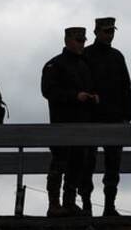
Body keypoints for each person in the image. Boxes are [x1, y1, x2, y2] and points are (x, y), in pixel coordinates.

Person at [41, 27, 99, 217]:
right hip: (61, 124)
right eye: (78, 40)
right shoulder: (55, 65)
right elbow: (49, 91)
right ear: (67, 40)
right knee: (59, 163)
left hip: (82, 124)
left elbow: (91, 86)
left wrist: (92, 97)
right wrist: (74, 96)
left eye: (83, 40)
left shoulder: (85, 65)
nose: (81, 44)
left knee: (77, 163)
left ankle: (69, 202)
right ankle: (54, 204)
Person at [80, 17, 131, 216]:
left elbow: (126, 87)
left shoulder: (117, 57)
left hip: (114, 119)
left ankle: (109, 206)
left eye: (112, 31)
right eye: (106, 31)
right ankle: (86, 205)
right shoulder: (85, 55)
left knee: (113, 165)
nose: (110, 35)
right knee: (87, 165)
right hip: (91, 119)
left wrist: (127, 114)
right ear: (97, 32)